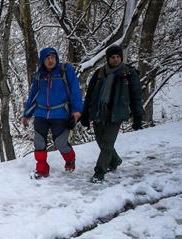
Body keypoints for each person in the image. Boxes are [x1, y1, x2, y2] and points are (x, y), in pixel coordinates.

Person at [80, 45, 144, 183]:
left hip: (116, 113)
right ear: (108, 59)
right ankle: (115, 161)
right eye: (112, 57)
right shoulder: (100, 73)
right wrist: (85, 113)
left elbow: (136, 96)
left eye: (117, 57)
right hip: (98, 112)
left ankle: (99, 173)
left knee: (107, 143)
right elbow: (90, 95)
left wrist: (137, 116)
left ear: (121, 57)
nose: (115, 59)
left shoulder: (128, 73)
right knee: (101, 141)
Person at [22, 47, 83, 178]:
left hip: (60, 113)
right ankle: (42, 169)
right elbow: (33, 95)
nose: (51, 60)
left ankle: (70, 159)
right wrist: (26, 114)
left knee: (61, 143)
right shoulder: (39, 75)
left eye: (53, 57)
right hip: (41, 113)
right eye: (47, 58)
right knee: (39, 143)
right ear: (42, 60)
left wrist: (76, 111)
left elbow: (75, 90)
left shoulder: (65, 71)